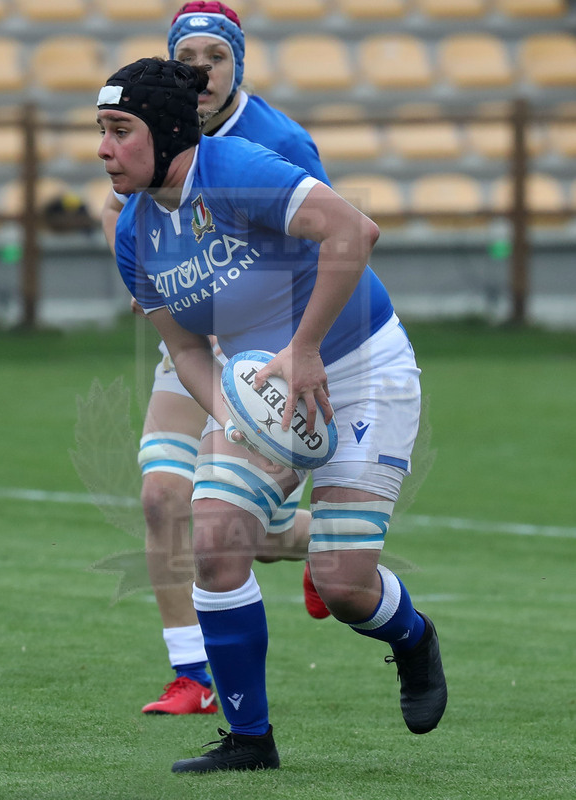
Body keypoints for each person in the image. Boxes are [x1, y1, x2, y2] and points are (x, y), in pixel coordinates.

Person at [96, 57, 448, 773]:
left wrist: (306, 347)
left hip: (359, 369)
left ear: (167, 132)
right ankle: (249, 739)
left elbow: (353, 230)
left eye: (119, 130)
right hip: (267, 383)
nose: (103, 149)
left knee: (345, 584)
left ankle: (411, 637)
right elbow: (187, 348)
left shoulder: (235, 171)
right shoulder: (136, 234)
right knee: (217, 538)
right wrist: (232, 411)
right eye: (101, 131)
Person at [100, 1, 332, 717]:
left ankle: (328, 542)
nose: (201, 70)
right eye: (188, 56)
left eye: (216, 57)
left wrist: (299, 350)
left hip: (268, 347)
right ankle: (190, 674)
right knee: (160, 496)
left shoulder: (274, 141)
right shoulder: (147, 128)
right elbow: (125, 218)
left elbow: (328, 241)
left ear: (238, 64)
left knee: (234, 532)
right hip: (194, 342)